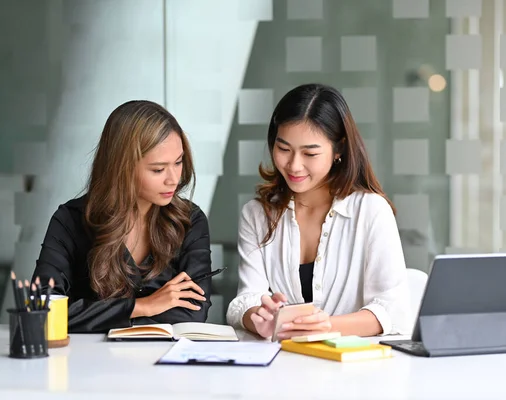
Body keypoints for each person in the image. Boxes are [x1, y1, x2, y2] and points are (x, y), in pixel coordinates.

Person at [226, 83, 411, 340]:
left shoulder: (371, 210)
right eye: (283, 149)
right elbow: (244, 301)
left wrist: (326, 326)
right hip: (281, 367)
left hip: (353, 372)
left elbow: (394, 310)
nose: (294, 165)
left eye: (310, 153)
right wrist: (259, 318)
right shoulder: (257, 214)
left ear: (339, 150)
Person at [32, 100, 212, 333]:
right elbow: (43, 311)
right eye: (158, 169)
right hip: (85, 365)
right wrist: (142, 306)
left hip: (164, 363)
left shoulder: (190, 220)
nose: (173, 179)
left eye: (178, 163)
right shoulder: (70, 220)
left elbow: (193, 313)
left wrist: (97, 316)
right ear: (122, 168)